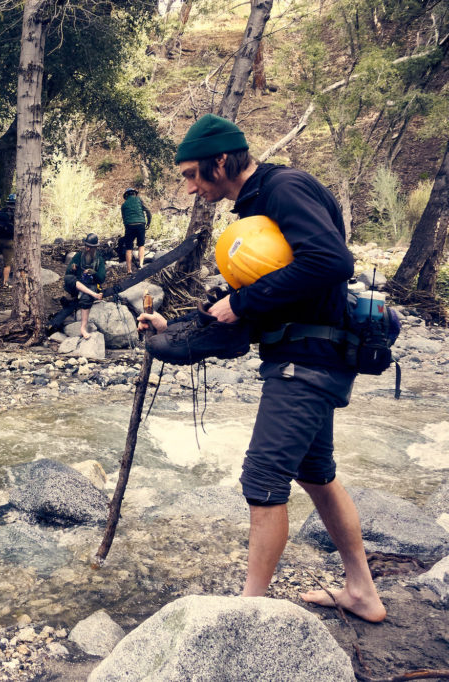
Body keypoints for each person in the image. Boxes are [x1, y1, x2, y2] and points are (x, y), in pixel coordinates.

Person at [139, 114, 386, 622]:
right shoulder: (258, 204)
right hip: (305, 355)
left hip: (308, 360)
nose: (189, 188)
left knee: (264, 475)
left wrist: (244, 303)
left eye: (191, 175)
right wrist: (178, 327)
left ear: (221, 162)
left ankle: (250, 614)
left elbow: (330, 262)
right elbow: (259, 295)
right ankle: (362, 592)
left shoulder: (284, 188)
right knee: (315, 474)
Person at [62, 233, 106, 339]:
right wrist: (72, 268)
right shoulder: (78, 256)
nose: (87, 248)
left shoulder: (99, 260)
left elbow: (102, 278)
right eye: (86, 246)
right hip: (77, 285)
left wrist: (93, 272)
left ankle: (83, 328)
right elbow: (68, 272)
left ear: (94, 248)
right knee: (68, 279)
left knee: (86, 299)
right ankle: (94, 295)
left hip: (90, 284)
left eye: (90, 247)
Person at [120, 188, 152, 274]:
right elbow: (148, 211)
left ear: (126, 195)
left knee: (129, 248)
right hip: (140, 224)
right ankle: (141, 265)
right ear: (134, 194)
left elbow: (124, 218)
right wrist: (148, 222)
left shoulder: (124, 205)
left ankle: (129, 270)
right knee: (141, 245)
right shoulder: (139, 200)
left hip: (129, 225)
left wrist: (127, 226)